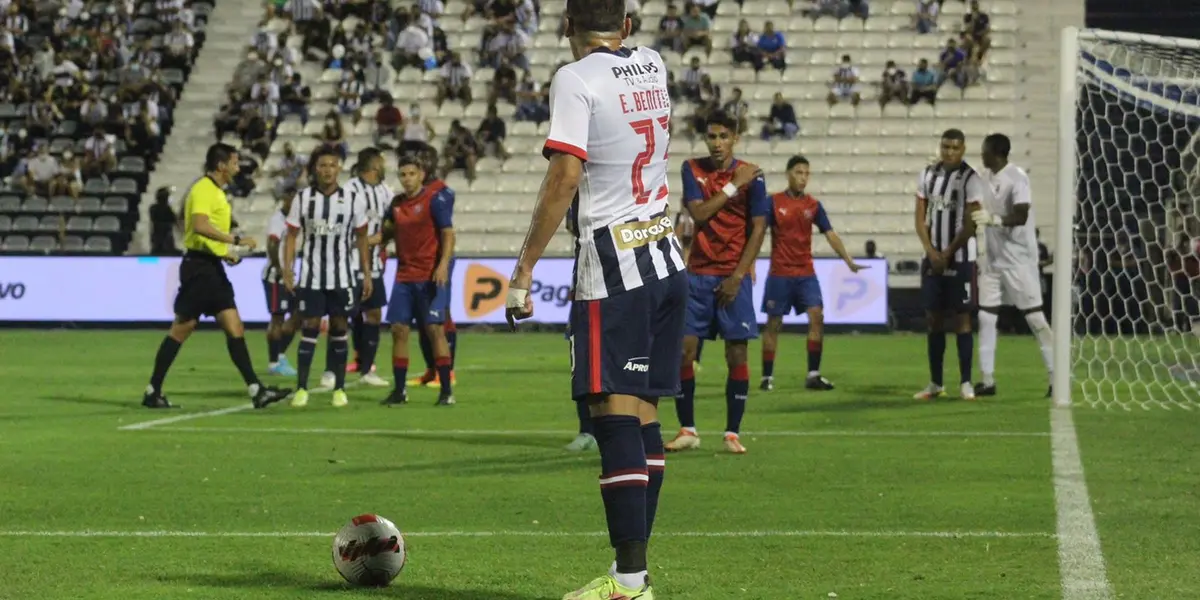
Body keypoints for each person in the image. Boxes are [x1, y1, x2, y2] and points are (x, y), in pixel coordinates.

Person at [504, 1, 685, 596]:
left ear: (566, 26)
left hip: (613, 264)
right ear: (627, 26)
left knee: (611, 415)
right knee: (644, 413)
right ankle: (633, 575)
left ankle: (629, 582)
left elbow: (565, 176)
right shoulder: (653, 63)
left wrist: (524, 268)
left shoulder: (574, 78)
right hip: (664, 253)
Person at [142, 143, 291, 409]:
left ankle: (256, 389)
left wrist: (224, 253)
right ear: (221, 165)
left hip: (209, 266)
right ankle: (153, 390)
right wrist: (234, 240)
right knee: (183, 329)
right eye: (234, 163)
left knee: (232, 327)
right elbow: (199, 226)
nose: (238, 168)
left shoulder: (214, 191)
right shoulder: (203, 189)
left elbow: (201, 232)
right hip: (200, 270)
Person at [668, 111, 768, 456]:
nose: (717, 143)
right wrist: (733, 185)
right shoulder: (692, 168)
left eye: (724, 136)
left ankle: (732, 432)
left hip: (733, 276)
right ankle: (688, 429)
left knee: (736, 352)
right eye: (711, 136)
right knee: (684, 351)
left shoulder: (753, 175)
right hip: (697, 274)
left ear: (735, 139)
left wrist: (738, 276)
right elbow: (698, 213)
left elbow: (759, 228)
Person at [760, 155, 867, 392]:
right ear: (788, 174)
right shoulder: (773, 202)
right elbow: (757, 232)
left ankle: (813, 374)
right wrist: (747, 264)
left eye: (806, 173)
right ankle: (767, 376)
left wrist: (848, 260)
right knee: (774, 323)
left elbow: (830, 233)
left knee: (817, 316)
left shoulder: (813, 205)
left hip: (806, 272)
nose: (803, 178)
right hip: (780, 272)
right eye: (798, 172)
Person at [282, 146, 372, 409]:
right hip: (311, 276)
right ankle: (301, 388)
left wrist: (366, 274)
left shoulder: (353, 199)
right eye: (322, 165)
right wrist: (288, 269)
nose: (327, 170)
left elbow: (362, 238)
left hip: (342, 277)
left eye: (332, 165)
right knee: (309, 327)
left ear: (339, 168)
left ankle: (339, 389)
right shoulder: (303, 198)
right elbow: (291, 236)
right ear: (315, 169)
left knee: (339, 328)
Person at [973, 133, 1054, 397]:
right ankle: (987, 380)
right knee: (986, 317)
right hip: (993, 261)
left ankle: (1056, 377)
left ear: (997, 153)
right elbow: (968, 180)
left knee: (1035, 318)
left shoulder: (1018, 178)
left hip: (1019, 260)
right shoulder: (985, 176)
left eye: (985, 151)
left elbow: (1021, 215)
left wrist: (994, 219)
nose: (982, 155)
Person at [380, 155, 457, 407]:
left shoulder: (433, 201)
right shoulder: (396, 204)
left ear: (421, 175)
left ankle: (446, 390)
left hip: (429, 275)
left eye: (411, 174)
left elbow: (448, 234)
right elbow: (385, 233)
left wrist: (443, 265)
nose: (407, 179)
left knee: (435, 330)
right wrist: (362, 241)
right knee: (398, 330)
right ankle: (399, 391)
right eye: (403, 175)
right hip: (404, 277)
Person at [913, 128, 985, 401]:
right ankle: (936, 382)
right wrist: (931, 252)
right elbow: (919, 217)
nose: (949, 152)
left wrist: (947, 253)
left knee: (962, 319)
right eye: (945, 147)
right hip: (933, 258)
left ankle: (966, 382)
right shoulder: (927, 174)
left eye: (955, 148)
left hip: (961, 257)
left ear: (963, 149)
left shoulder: (971, 178)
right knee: (933, 319)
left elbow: (970, 223)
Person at [319, 147, 393, 387]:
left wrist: (388, 237)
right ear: (374, 165)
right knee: (340, 317)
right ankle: (330, 371)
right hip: (348, 265)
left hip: (374, 266)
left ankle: (367, 369)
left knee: (374, 314)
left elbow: (391, 224)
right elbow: (337, 229)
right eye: (381, 162)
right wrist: (366, 241)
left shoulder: (385, 191)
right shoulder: (349, 190)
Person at [263, 187, 300, 376]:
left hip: (290, 275)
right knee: (278, 317)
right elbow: (272, 244)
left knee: (300, 313)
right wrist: (280, 269)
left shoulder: (296, 219)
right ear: (285, 198)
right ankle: (274, 362)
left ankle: (280, 354)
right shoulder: (277, 219)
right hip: (276, 276)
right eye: (290, 197)